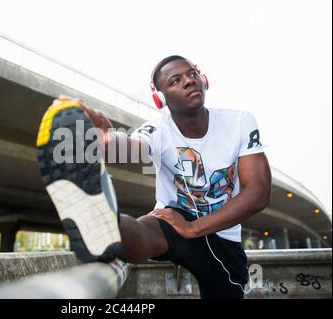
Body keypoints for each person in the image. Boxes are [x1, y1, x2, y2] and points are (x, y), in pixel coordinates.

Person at [36, 55, 272, 299]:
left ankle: (109, 226)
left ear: (203, 80)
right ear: (161, 98)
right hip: (174, 218)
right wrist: (107, 140)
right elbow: (134, 145)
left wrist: (194, 228)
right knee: (144, 232)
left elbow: (258, 193)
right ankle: (104, 224)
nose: (189, 81)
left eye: (192, 74)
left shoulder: (239, 122)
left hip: (222, 235)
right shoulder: (159, 129)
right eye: (175, 81)